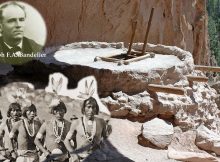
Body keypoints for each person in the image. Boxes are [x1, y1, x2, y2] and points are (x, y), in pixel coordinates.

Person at [64, 97, 111, 162]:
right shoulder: (76, 122)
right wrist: (74, 155)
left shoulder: (101, 122)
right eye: (88, 107)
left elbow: (106, 139)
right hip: (80, 157)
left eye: (93, 107)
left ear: (96, 109)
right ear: (83, 108)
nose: (91, 110)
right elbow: (66, 140)